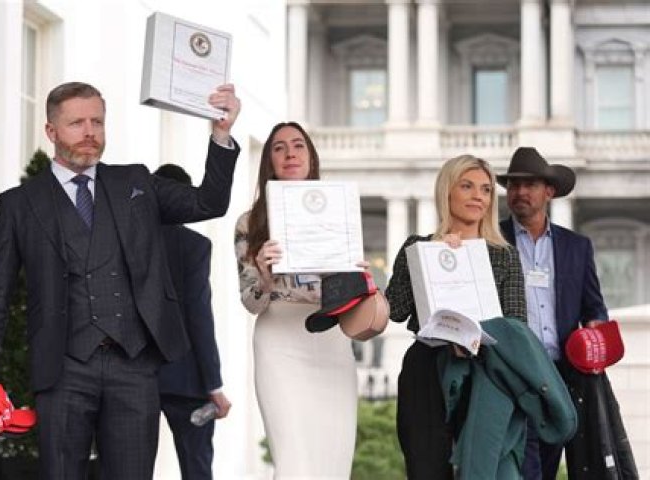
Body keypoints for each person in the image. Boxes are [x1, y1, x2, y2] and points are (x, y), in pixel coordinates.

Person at [0, 81, 241, 480]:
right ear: (51, 131)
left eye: (97, 122)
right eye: (77, 123)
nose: (90, 132)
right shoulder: (19, 205)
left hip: (135, 366)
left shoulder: (136, 183)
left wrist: (221, 134)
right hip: (62, 369)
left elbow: (208, 202)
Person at [385, 154, 527, 479]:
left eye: (486, 189)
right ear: (447, 191)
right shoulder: (419, 247)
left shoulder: (504, 255)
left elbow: (517, 325)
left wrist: (476, 339)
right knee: (426, 469)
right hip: (426, 371)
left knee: (484, 469)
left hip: (487, 373)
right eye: (467, 186)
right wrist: (436, 257)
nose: (478, 196)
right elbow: (395, 308)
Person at [234, 121, 357, 479]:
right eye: (279, 147)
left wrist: (357, 274)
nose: (290, 153)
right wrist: (265, 275)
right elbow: (250, 303)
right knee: (293, 463)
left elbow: (352, 290)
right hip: (280, 341)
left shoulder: (340, 212)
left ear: (311, 157)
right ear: (269, 161)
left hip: (331, 336)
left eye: (298, 145)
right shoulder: (250, 223)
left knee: (333, 463)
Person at [497, 146, 608, 480]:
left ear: (549, 191)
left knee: (546, 465)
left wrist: (595, 330)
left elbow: (593, 306)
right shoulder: (492, 242)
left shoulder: (577, 246)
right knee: (522, 465)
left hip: (561, 377)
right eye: (514, 184)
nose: (520, 192)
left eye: (529, 184)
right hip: (511, 374)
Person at [154, 163, 231, 480]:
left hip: (133, 375)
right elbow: (199, 315)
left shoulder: (124, 240)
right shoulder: (194, 245)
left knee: (126, 466)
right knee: (196, 469)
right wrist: (213, 383)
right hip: (186, 377)